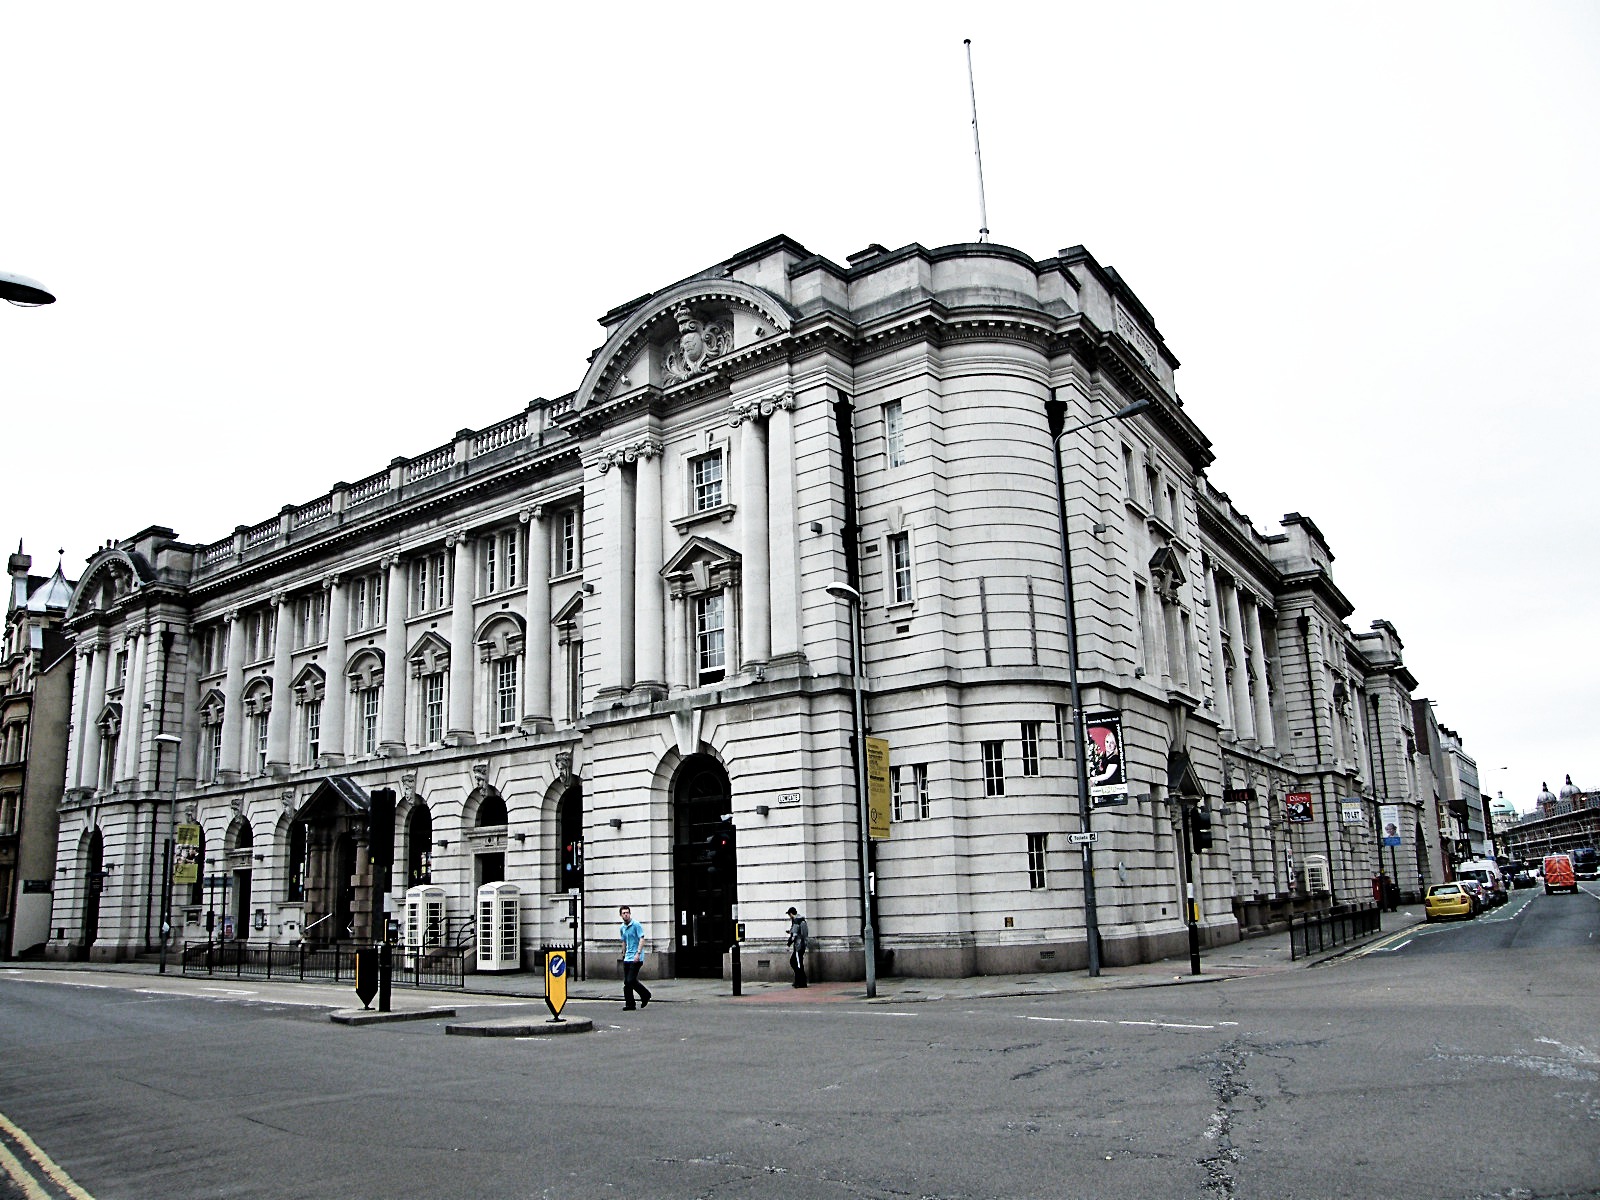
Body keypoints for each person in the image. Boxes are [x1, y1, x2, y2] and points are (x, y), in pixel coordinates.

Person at [618, 905, 651, 1010]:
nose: (626, 915)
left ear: (630, 914)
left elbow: (642, 938)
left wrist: (638, 953)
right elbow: (624, 941)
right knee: (626, 982)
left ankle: (645, 994)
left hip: (636, 957)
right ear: (621, 915)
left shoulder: (636, 925)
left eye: (627, 913)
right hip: (627, 957)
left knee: (631, 980)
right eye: (624, 913)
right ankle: (630, 1004)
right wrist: (623, 953)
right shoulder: (622, 927)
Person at [785, 906, 809, 988]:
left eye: (789, 915)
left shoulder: (796, 921)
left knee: (797, 963)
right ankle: (798, 981)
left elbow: (794, 935)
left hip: (798, 946)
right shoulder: (802, 920)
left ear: (791, 914)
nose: (789, 917)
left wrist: (788, 944)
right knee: (795, 962)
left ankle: (801, 982)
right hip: (802, 944)